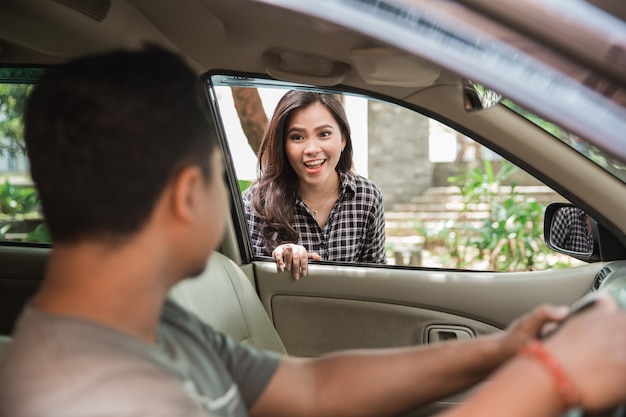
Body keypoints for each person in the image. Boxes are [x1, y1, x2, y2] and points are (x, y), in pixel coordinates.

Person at [1, 45, 625, 417]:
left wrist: (500, 348)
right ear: (187, 195)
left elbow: (308, 385)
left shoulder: (150, 325)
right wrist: (551, 375)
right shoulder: (80, 389)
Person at [242, 91, 386, 279]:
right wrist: (279, 260)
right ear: (282, 144)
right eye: (297, 137)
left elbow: (376, 279)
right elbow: (245, 283)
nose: (311, 150)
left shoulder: (367, 197)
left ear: (343, 139)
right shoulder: (255, 202)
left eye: (324, 134)